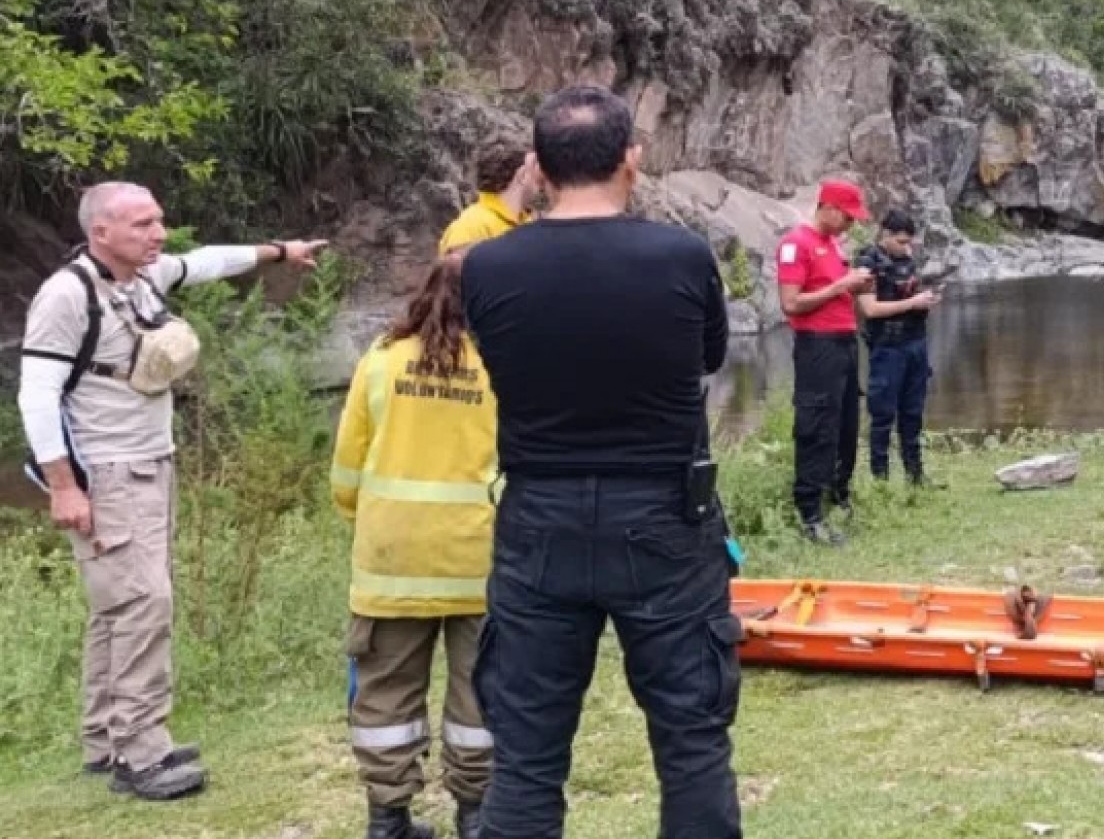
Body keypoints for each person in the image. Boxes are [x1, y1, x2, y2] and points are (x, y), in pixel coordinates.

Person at [461, 86, 739, 839]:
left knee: (524, 758)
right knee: (691, 743)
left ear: (538, 169)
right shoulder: (681, 257)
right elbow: (709, 357)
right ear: (632, 161)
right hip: (664, 521)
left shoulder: (484, 269)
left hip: (538, 522)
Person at [15, 182, 323, 799]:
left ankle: (106, 739)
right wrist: (64, 487)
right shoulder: (67, 295)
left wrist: (276, 251)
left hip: (151, 463)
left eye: (158, 221)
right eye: (141, 224)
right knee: (143, 604)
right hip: (108, 472)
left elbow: (206, 260)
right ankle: (141, 752)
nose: (157, 233)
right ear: (100, 231)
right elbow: (37, 394)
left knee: (117, 606)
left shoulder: (143, 278)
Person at [332, 252, 497, 839]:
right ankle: (476, 815)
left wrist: (373, 517)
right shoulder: (500, 365)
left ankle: (388, 818)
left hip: (391, 564)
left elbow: (346, 474)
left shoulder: (381, 361)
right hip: (477, 561)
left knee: (384, 697)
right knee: (481, 693)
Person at [776, 179, 875, 544]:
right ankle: (809, 512)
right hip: (817, 344)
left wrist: (856, 287)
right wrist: (839, 287)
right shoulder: (796, 244)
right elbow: (790, 303)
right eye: (848, 217)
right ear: (829, 208)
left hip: (844, 342)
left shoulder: (833, 245)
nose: (851, 225)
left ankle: (839, 494)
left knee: (845, 424)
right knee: (816, 424)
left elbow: (834, 292)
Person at [856, 210, 940, 486]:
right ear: (886, 235)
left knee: (913, 412)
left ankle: (915, 475)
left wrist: (925, 301)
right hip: (887, 349)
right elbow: (869, 308)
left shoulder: (907, 261)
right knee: (882, 416)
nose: (907, 248)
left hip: (915, 343)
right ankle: (880, 481)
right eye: (902, 242)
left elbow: (908, 294)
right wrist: (912, 303)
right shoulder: (868, 261)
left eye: (909, 243)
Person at [439, 138, 539, 255]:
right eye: (535, 167)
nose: (541, 175)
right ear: (522, 175)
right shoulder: (470, 227)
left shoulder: (528, 222)